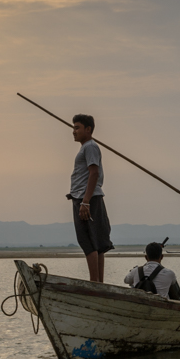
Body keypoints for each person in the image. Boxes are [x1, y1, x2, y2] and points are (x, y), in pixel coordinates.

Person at [67, 113, 113, 282]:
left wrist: (85, 202)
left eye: (77, 128)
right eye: (73, 127)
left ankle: (95, 282)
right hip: (87, 197)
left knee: (88, 240)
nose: (74, 131)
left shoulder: (90, 147)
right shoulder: (87, 147)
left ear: (88, 129)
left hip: (86, 198)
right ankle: (98, 282)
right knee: (96, 242)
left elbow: (94, 173)